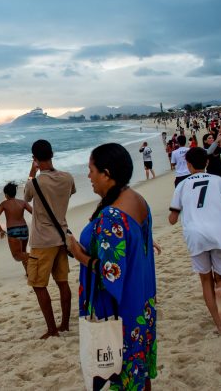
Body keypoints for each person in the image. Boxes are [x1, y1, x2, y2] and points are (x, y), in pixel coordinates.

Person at [66, 143, 158, 390]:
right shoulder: (136, 199)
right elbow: (131, 243)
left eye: (91, 170)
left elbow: (111, 273)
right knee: (139, 376)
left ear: (106, 173)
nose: (89, 177)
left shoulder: (112, 216)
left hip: (122, 311)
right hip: (143, 302)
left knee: (123, 375)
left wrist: (79, 255)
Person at [168, 147, 221, 335]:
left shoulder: (181, 185)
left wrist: (179, 213)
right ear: (206, 163)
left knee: (205, 281)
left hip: (196, 235)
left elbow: (172, 219)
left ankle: (220, 326)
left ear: (188, 165)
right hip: (220, 232)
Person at [24, 139, 76, 339]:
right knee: (63, 282)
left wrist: (32, 171)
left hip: (42, 241)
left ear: (35, 159)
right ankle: (64, 324)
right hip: (61, 237)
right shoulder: (67, 178)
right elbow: (68, 195)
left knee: (38, 284)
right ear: (52, 154)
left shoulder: (35, 182)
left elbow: (26, 197)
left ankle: (52, 329)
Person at [0, 181, 33, 275]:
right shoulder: (22, 202)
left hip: (13, 230)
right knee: (23, 252)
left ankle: (37, 256)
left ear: (6, 194)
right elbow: (34, 213)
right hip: (24, 229)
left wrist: (0, 230)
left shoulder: (4, 204)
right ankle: (28, 272)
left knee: (17, 256)